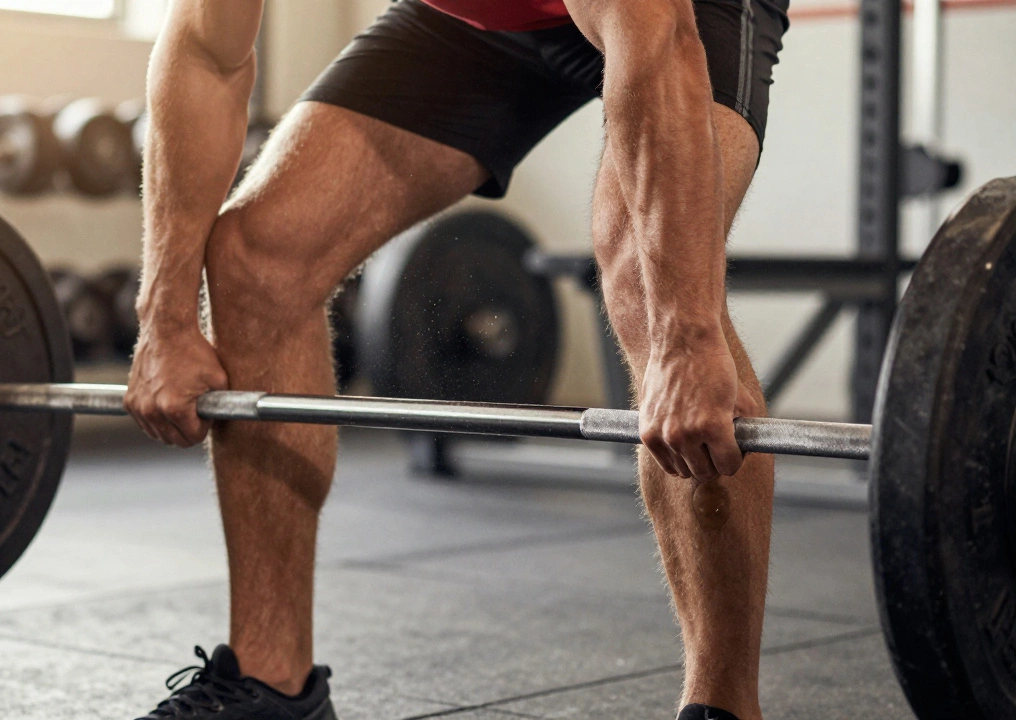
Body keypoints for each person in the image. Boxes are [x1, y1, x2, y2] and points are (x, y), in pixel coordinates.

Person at [124, 0, 788, 718]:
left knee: (643, 269)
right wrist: (163, 318)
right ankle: (270, 684)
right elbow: (204, 54)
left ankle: (723, 706)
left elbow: (655, 41)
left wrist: (687, 338)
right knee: (259, 256)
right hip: (480, 18)